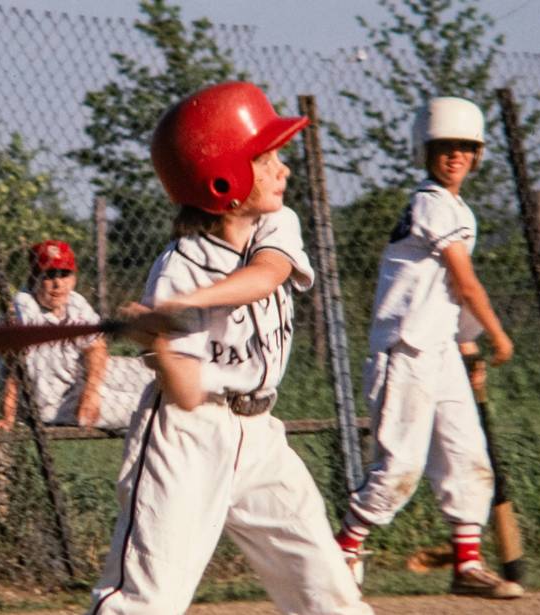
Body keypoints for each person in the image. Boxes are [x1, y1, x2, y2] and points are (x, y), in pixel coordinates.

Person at [84, 81, 371, 615]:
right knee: (146, 599)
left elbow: (267, 275)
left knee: (328, 592)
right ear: (224, 181)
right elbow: (188, 393)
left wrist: (189, 305)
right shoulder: (177, 269)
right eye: (267, 159)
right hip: (189, 442)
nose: (283, 170)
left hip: (261, 437)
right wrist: (163, 339)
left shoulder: (275, 223)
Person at [335, 96, 524, 599]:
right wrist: (499, 335)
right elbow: (465, 284)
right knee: (399, 468)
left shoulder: (457, 208)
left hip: (438, 351)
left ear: (478, 155)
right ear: (426, 151)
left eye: (465, 147)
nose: (455, 156)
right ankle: (341, 552)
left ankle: (467, 565)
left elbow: (442, 292)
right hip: (404, 352)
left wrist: (467, 346)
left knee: (468, 457)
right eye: (444, 147)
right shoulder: (431, 202)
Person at [0, 240, 150, 433]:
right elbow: (14, 367)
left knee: (154, 372)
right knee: (150, 408)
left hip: (81, 379)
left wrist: (91, 391)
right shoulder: (23, 308)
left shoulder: (75, 301)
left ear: (74, 278)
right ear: (33, 278)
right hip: (56, 404)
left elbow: (96, 347)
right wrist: (8, 417)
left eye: (64, 274)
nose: (58, 284)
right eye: (49, 275)